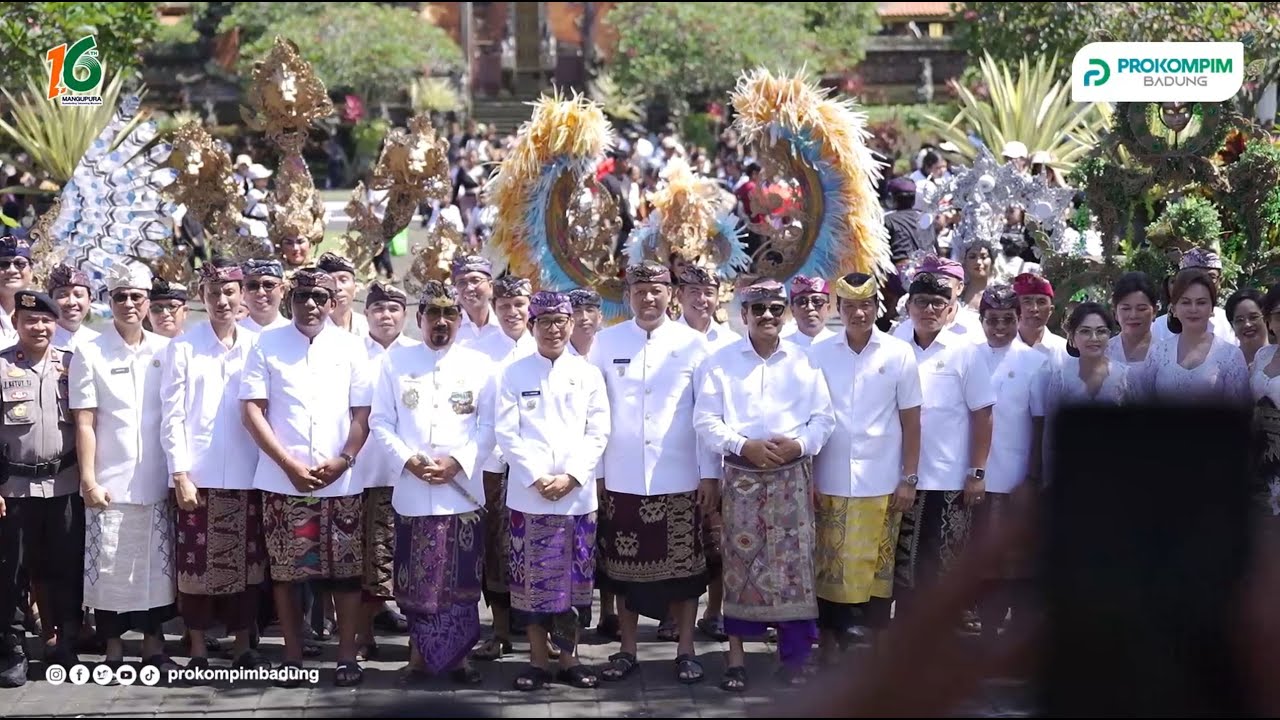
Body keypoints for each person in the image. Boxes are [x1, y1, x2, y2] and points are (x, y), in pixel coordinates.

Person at [694, 278, 836, 691]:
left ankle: (794, 658)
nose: (769, 316)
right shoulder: (719, 362)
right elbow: (705, 420)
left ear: (785, 313)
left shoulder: (805, 361)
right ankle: (736, 658)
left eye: (776, 309)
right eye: (759, 310)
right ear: (745, 315)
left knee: (794, 568)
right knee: (741, 567)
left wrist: (799, 445)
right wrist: (743, 445)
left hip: (791, 477)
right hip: (742, 479)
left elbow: (824, 419)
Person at [240, 267, 372, 687]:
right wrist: (287, 465)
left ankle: (347, 656)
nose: (310, 305)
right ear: (289, 301)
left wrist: (345, 459)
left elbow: (362, 414)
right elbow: (252, 411)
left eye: (319, 297)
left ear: (333, 303)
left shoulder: (352, 347)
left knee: (346, 574)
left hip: (341, 480)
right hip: (283, 482)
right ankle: (293, 657)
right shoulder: (267, 344)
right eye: (301, 297)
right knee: (288, 574)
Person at [591, 261, 716, 685]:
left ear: (672, 294)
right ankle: (627, 649)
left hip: (679, 474)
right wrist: (599, 474)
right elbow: (595, 413)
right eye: (640, 289)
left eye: (657, 290)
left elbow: (707, 414)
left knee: (685, 572)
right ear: (628, 294)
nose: (648, 298)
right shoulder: (606, 343)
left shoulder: (694, 345)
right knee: (622, 570)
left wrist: (709, 475)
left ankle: (685, 648)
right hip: (623, 475)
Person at [369, 280, 497, 684]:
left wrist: (458, 463)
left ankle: (459, 659)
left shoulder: (481, 366)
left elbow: (489, 425)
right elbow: (380, 421)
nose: (441, 322)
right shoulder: (396, 363)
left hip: (461, 495)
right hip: (413, 493)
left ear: (459, 319)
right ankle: (417, 659)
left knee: (460, 583)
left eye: (449, 314)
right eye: (433, 314)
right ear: (419, 318)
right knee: (416, 584)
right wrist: (407, 460)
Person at [494, 291, 610, 691]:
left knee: (575, 584)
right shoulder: (514, 373)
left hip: (577, 497)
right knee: (531, 586)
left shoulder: (588, 374)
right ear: (532, 327)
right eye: (544, 322)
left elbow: (599, 432)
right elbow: (506, 433)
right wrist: (537, 476)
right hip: (530, 496)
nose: (553, 329)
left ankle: (570, 659)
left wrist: (573, 476)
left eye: (561, 321)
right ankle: (538, 661)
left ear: (572, 324)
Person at [69, 263, 177, 670]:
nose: (129, 304)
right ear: (107, 301)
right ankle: (113, 650)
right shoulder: (90, 351)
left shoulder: (166, 351)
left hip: (155, 480)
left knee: (154, 568)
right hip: (109, 481)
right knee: (109, 567)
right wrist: (89, 479)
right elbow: (85, 422)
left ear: (148, 302)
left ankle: (154, 647)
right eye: (120, 297)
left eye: (136, 296)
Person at [161, 260, 268, 672]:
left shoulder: (258, 345)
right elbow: (171, 416)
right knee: (195, 568)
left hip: (247, 470)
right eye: (213, 293)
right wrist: (180, 474)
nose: (222, 300)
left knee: (245, 563)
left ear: (241, 295)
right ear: (201, 298)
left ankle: (244, 645)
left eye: (229, 292)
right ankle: (199, 648)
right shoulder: (183, 347)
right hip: (198, 474)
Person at [809, 272, 922, 663]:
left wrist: (909, 478)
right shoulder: (819, 353)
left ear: (879, 306)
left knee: (877, 566)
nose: (860, 312)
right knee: (828, 565)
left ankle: (877, 650)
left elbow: (911, 420)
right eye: (851, 306)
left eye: (867, 304)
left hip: (882, 479)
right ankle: (828, 646)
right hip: (830, 476)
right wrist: (808, 477)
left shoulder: (898, 353)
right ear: (838, 309)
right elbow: (808, 418)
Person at [894, 272, 995, 624]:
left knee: (941, 566)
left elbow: (983, 415)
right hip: (898, 476)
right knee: (901, 569)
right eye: (921, 302)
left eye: (939, 303)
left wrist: (977, 473)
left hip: (948, 479)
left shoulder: (965, 352)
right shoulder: (894, 345)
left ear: (951, 310)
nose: (929, 310)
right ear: (908, 307)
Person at [0, 291, 83, 686]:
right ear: (16, 323)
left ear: (56, 323)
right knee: (11, 575)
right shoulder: (1, 367)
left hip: (64, 485)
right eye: (30, 320)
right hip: (13, 489)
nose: (39, 328)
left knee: (64, 568)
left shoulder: (69, 366)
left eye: (46, 321)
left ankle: (65, 644)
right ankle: (12, 651)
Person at [46, 264, 99, 351]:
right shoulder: (39, 340)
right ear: (50, 300)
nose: (71, 302)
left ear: (89, 301)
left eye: (78, 295)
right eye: (62, 295)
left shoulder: (98, 342)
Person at [317, 253, 370, 338]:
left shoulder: (368, 326)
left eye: (343, 280)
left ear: (355, 287)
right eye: (330, 282)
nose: (338, 287)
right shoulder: (313, 331)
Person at [783, 275, 836, 348]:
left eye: (817, 301)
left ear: (828, 308)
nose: (810, 307)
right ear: (792, 310)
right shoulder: (781, 348)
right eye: (801, 302)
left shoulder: (844, 347)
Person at [239, 259, 290, 334]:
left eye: (269, 285)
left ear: (281, 291)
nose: (261, 292)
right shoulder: (232, 334)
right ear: (243, 291)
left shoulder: (295, 333)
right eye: (253, 286)